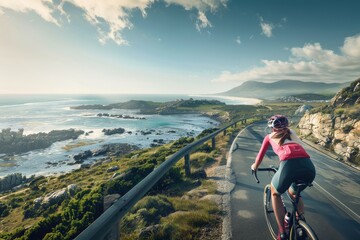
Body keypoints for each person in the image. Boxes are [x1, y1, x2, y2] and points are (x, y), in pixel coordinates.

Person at [251, 115, 316, 240]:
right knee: (294, 192)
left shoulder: (269, 137)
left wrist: (254, 167)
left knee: (275, 192)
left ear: (271, 127)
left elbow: (259, 158)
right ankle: (300, 223)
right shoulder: (292, 132)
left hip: (288, 166)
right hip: (309, 167)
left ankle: (282, 232)